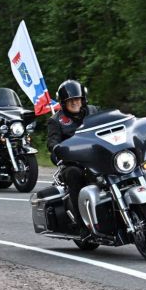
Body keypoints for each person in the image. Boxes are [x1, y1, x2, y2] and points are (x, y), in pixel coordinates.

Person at [47, 80, 98, 235]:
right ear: (63, 102)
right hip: (73, 162)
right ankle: (82, 223)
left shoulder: (93, 111)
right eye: (70, 100)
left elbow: (109, 121)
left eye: (78, 98)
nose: (75, 102)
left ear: (83, 99)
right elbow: (52, 142)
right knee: (74, 174)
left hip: (98, 156)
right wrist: (57, 148)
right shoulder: (56, 120)